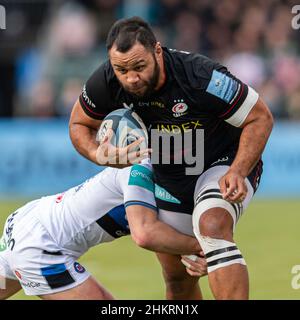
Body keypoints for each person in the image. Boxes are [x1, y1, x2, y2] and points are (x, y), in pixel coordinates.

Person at [69, 17, 274, 299]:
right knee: (177, 276)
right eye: (122, 69)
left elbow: (260, 116)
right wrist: (98, 154)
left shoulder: (201, 77)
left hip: (222, 161)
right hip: (169, 177)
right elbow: (79, 124)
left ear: (157, 51)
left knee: (212, 226)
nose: (131, 78)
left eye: (139, 67)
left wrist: (238, 170)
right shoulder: (106, 80)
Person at [0, 160, 205, 300]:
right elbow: (145, 234)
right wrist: (208, 249)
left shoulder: (158, 173)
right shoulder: (139, 170)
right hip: (40, 246)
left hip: (26, 220)